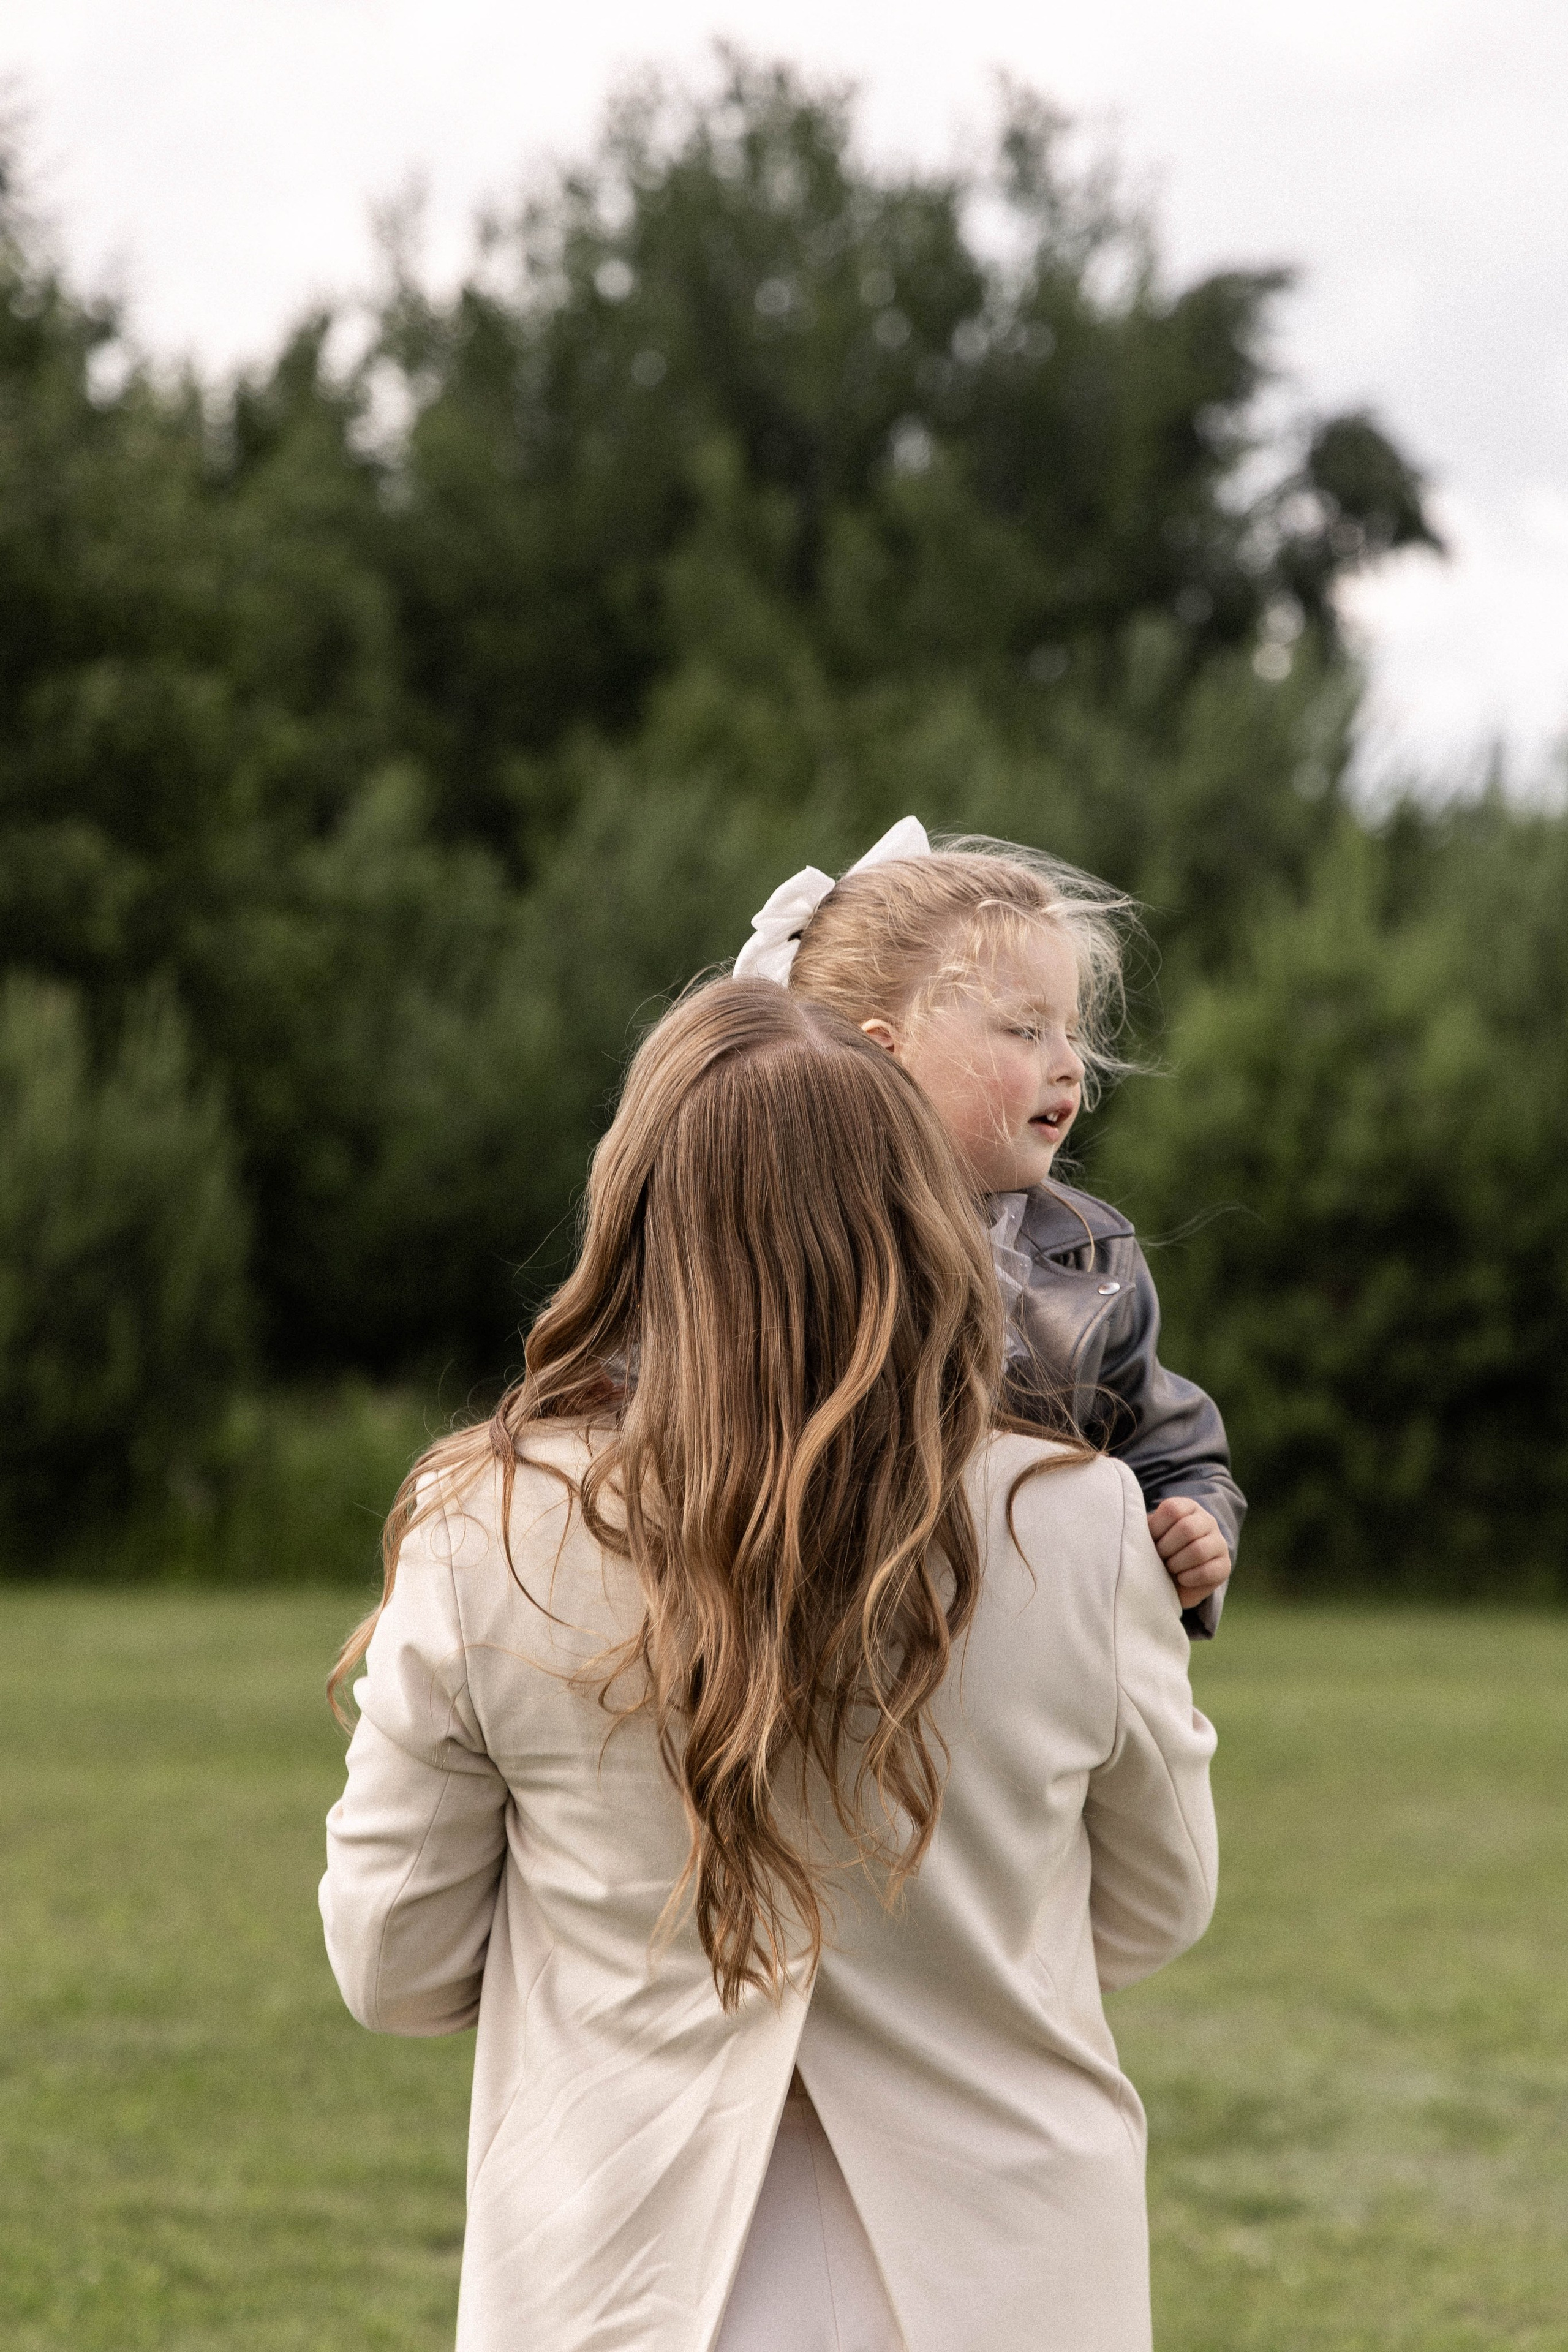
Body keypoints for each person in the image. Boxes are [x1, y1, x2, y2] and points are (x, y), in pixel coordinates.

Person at [320, 978, 1216, 2352]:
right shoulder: (1084, 1522)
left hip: (622, 2288)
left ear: (635, 1212)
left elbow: (396, 1963)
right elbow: (1158, 1904)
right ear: (918, 1209)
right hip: (999, 2288)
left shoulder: (483, 1526)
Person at [736, 817, 1244, 1637]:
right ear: (883, 1056)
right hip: (811, 1648)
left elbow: (1170, 1448)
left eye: (1072, 1031)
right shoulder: (763, 1235)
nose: (1070, 1064)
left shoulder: (1091, 1258)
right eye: (1026, 1029)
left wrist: (1194, 1523)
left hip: (1023, 1657)